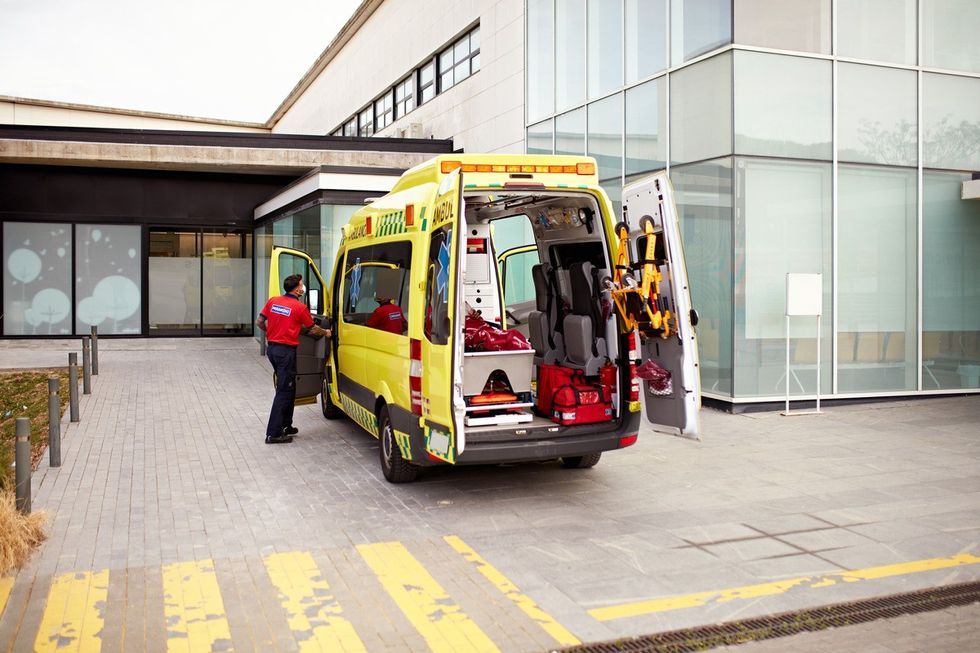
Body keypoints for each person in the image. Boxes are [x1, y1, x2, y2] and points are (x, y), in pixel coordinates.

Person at [255, 274, 329, 444]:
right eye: (302, 285)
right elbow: (312, 329)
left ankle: (286, 425)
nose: (303, 287)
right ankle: (273, 433)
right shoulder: (299, 307)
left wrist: (273, 332)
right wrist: (326, 332)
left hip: (273, 349)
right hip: (286, 352)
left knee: (290, 386)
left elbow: (259, 322)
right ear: (297, 289)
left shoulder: (273, 301)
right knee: (284, 390)